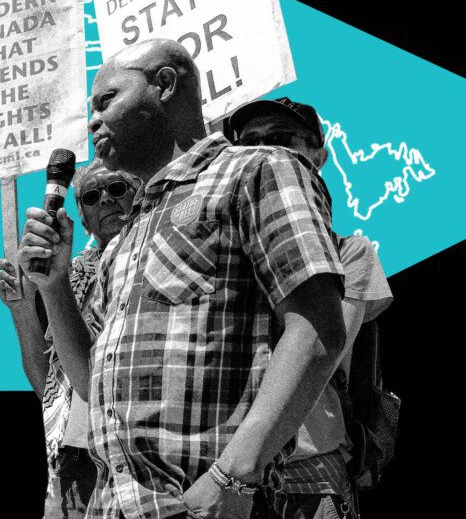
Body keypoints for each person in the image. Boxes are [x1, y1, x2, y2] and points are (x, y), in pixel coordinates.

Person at [19, 39, 347, 519]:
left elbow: (319, 330)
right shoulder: (127, 235)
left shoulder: (258, 170)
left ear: (165, 85)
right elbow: (90, 384)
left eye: (105, 101)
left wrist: (230, 476)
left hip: (204, 504)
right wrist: (54, 285)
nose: (92, 121)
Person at [227, 97, 394, 519]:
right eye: (249, 143)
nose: (265, 150)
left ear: (318, 154)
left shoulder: (349, 253)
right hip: (222, 458)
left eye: (281, 139)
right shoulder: (224, 254)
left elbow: (324, 345)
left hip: (308, 459)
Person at [0, 158, 139, 519]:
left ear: (139, 194)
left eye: (117, 188)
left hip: (138, 449)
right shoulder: (69, 277)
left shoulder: (154, 258)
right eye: (92, 196)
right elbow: (44, 382)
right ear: (82, 217)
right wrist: (22, 308)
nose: (106, 199)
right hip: (74, 457)